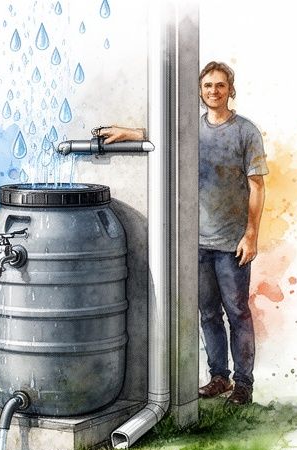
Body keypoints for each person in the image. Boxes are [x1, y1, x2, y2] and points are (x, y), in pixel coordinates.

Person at [95, 61, 267, 405]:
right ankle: (219, 377)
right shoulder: (191, 128)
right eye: (207, 86)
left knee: (237, 313)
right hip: (195, 242)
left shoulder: (246, 131)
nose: (213, 91)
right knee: (208, 313)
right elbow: (161, 133)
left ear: (230, 89)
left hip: (232, 243)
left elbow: (257, 186)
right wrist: (129, 133)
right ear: (200, 91)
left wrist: (251, 235)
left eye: (220, 85)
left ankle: (243, 383)